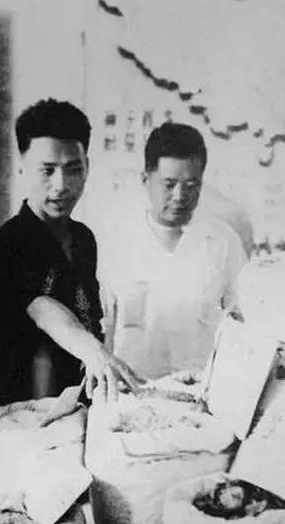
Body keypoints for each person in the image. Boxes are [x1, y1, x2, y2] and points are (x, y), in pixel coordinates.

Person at [0, 99, 141, 408]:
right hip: (21, 412)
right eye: (47, 170)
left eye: (73, 170)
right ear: (23, 166)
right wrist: (94, 352)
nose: (61, 185)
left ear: (87, 168)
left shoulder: (83, 239)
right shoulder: (5, 243)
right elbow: (42, 308)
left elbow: (89, 316)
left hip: (79, 404)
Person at [99, 122, 247, 380]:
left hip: (203, 391)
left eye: (191, 185)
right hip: (133, 391)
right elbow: (99, 330)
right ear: (145, 180)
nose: (180, 196)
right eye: (169, 184)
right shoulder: (116, 242)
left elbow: (245, 323)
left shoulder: (222, 241)